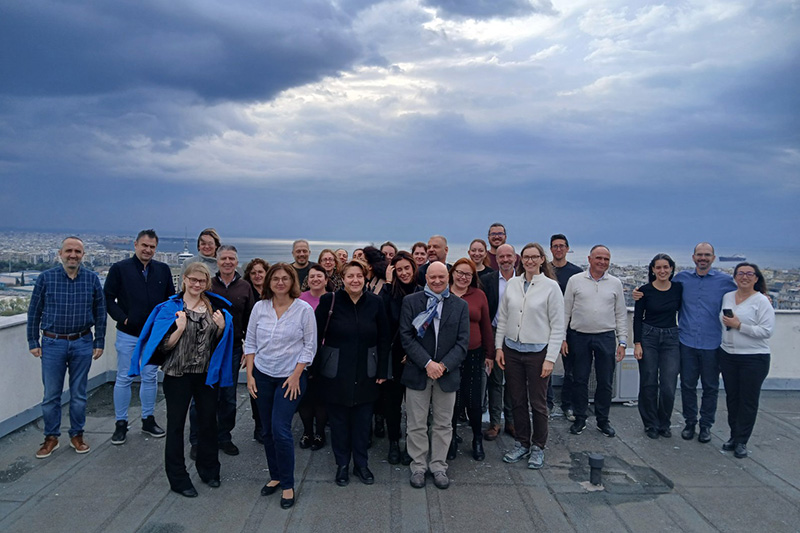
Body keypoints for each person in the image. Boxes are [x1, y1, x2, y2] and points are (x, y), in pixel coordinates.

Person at [131, 262, 234, 498]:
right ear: (185, 280)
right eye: (193, 279)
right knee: (176, 426)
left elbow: (217, 345)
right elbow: (162, 346)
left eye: (202, 281)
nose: (197, 284)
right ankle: (178, 479)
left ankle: (209, 470)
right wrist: (178, 329)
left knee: (208, 423)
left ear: (207, 283)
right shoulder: (169, 308)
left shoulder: (215, 308)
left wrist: (220, 328)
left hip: (205, 375)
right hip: (177, 375)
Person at [27, 236, 107, 459]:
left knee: (79, 394)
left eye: (77, 252)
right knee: (51, 395)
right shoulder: (46, 278)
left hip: (82, 342)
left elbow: (100, 312)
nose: (73, 255)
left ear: (83, 255)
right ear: (60, 254)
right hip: (53, 343)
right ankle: (51, 437)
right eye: (69, 251)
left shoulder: (92, 279)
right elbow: (34, 311)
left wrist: (99, 341)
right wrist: (33, 341)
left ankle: (77, 435)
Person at [245, 263, 316, 509]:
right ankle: (275, 475)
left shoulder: (303, 309)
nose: (280, 282)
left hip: (290, 378)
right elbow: (250, 342)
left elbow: (310, 346)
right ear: (269, 282)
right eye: (275, 278)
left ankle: (287, 484)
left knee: (280, 429)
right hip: (262, 375)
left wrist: (297, 375)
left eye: (285, 278)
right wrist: (250, 375)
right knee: (267, 430)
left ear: (292, 281)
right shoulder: (260, 307)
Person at [315, 260, 390, 487]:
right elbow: (315, 336)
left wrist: (382, 369)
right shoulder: (329, 301)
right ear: (343, 279)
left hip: (367, 371)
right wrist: (315, 368)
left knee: (362, 422)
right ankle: (342, 465)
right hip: (336, 372)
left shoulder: (375, 302)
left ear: (365, 278)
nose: (355, 280)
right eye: (350, 276)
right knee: (338, 423)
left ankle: (361, 464)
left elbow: (384, 337)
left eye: (359, 276)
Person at [400, 262, 469, 490]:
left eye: (441, 276)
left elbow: (463, 342)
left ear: (448, 277)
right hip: (418, 371)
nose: (437, 281)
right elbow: (406, 337)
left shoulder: (460, 306)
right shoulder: (411, 302)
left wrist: (443, 366)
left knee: (443, 424)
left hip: (446, 374)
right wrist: (428, 363)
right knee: (416, 423)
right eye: (433, 277)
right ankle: (418, 467)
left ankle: (439, 466)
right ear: (426, 278)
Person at [496, 243, 564, 469]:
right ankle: (522, 443)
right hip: (512, 351)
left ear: (542, 259)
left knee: (538, 402)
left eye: (535, 257)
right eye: (526, 257)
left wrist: (550, 359)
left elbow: (558, 326)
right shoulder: (513, 284)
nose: (530, 261)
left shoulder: (551, 287)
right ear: (520, 259)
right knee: (517, 400)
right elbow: (503, 318)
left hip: (538, 353)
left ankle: (538, 446)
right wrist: (498, 348)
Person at [105, 229, 174, 445]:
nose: (148, 250)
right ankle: (121, 423)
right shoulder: (120, 269)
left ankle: (147, 419)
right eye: (144, 245)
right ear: (135, 245)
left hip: (153, 336)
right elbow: (108, 298)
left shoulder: (162, 270)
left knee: (150, 377)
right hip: (128, 334)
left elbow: (170, 300)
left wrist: (165, 326)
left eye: (152, 247)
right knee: (124, 377)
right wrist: (124, 319)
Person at [188, 245, 255, 458]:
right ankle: (197, 439)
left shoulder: (245, 287)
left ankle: (223, 436)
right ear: (217, 261)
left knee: (228, 396)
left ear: (237, 261)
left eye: (231, 258)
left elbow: (251, 320)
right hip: (206, 348)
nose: (227, 262)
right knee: (200, 395)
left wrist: (248, 347)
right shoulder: (208, 285)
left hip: (232, 349)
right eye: (224, 258)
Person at [672, 243, 736, 443]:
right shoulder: (681, 279)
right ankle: (690, 422)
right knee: (687, 385)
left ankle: (706, 425)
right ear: (693, 257)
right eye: (699, 254)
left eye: (707, 255)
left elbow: (744, 294)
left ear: (713, 258)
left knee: (710, 387)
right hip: (687, 341)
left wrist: (763, 296)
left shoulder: (725, 281)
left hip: (712, 343)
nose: (703, 258)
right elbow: (662, 289)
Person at [563, 245, 628, 438]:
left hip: (605, 336)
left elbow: (621, 314)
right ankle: (580, 417)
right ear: (589, 259)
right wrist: (562, 338)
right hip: (579, 336)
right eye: (598, 258)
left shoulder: (615, 283)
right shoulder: (575, 280)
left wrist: (622, 341)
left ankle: (603, 420)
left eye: (606, 259)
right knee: (579, 379)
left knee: (605, 381)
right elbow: (565, 311)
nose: (602, 262)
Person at [719, 263, 775, 459]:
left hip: (754, 358)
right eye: (741, 273)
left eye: (749, 274)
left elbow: (766, 331)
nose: (745, 277)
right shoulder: (727, 297)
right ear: (734, 277)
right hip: (728, 355)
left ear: (756, 278)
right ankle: (734, 436)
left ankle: (742, 440)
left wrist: (739, 325)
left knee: (748, 401)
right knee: (732, 399)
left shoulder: (761, 301)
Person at [447, 258, 494, 461]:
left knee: (474, 400)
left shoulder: (478, 295)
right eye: (459, 272)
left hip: (473, 354)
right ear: (452, 273)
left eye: (468, 274)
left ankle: (477, 439)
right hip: (449, 357)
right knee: (452, 400)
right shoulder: (444, 293)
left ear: (473, 277)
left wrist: (490, 354)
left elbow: (486, 326)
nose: (463, 277)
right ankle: (451, 438)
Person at [633, 254, 682, 439]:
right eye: (658, 267)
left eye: (666, 267)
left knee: (669, 384)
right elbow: (638, 318)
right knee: (649, 381)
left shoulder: (678, 289)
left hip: (671, 337)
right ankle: (650, 424)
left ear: (671, 269)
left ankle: (664, 423)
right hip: (649, 337)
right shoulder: (644, 291)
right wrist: (637, 343)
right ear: (652, 270)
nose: (662, 271)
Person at [379, 251, 419, 464]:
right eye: (399, 269)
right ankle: (394, 441)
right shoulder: (390, 292)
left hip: (414, 356)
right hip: (393, 356)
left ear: (413, 268)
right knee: (392, 403)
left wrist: (411, 353)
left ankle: (412, 444)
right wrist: (387, 283)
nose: (404, 273)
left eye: (407, 268)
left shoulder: (422, 291)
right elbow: (382, 319)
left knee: (414, 406)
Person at [480, 243, 517, 440]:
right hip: (494, 333)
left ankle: (511, 421)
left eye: (509, 256)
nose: (505, 260)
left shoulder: (524, 280)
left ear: (515, 258)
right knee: (495, 380)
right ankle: (495, 423)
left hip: (517, 334)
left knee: (514, 380)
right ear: (497, 259)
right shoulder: (488, 280)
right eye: (501, 256)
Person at [550, 234, 583, 421]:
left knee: (571, 369)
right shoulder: (545, 270)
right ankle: (546, 403)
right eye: (555, 246)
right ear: (550, 249)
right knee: (543, 366)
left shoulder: (576, 273)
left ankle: (567, 405)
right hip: (546, 324)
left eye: (562, 246)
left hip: (570, 327)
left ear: (567, 248)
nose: (558, 249)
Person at [298, 264, 330, 451]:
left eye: (319, 276)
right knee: (305, 395)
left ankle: (320, 433)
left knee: (321, 396)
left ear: (326, 279)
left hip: (325, 353)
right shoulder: (299, 299)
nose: (316, 279)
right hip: (302, 352)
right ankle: (307, 432)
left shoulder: (332, 299)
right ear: (307, 280)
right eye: (312, 276)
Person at [243, 258, 269, 442]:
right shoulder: (246, 292)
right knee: (255, 386)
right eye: (253, 273)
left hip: (270, 345)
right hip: (252, 344)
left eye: (260, 272)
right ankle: (259, 424)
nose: (257, 275)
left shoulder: (273, 291)